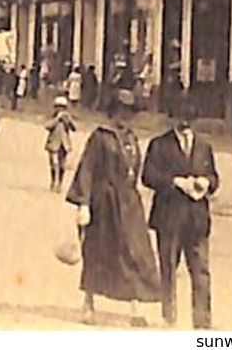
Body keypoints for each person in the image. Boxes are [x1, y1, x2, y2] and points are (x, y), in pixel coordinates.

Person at [66, 89, 161, 325]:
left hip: (129, 204)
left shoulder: (131, 138)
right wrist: (83, 204)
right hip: (104, 204)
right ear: (113, 111)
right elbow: (87, 169)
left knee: (135, 253)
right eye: (121, 111)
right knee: (97, 253)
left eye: (129, 113)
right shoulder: (100, 137)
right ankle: (88, 304)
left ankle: (135, 308)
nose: (125, 117)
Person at [141, 102, 220, 329]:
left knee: (201, 271)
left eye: (190, 120)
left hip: (197, 219)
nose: (185, 124)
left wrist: (206, 183)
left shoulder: (204, 146)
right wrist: (176, 182)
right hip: (168, 218)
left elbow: (214, 177)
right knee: (168, 268)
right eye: (181, 119)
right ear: (173, 118)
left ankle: (202, 322)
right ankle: (168, 317)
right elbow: (148, 176)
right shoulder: (159, 144)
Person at [44, 96, 78, 193]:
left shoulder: (67, 118)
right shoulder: (52, 117)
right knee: (54, 163)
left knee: (62, 164)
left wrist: (68, 120)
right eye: (58, 107)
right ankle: (54, 180)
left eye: (62, 107)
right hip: (53, 143)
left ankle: (60, 183)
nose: (60, 109)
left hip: (64, 144)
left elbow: (74, 128)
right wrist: (57, 119)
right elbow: (47, 126)